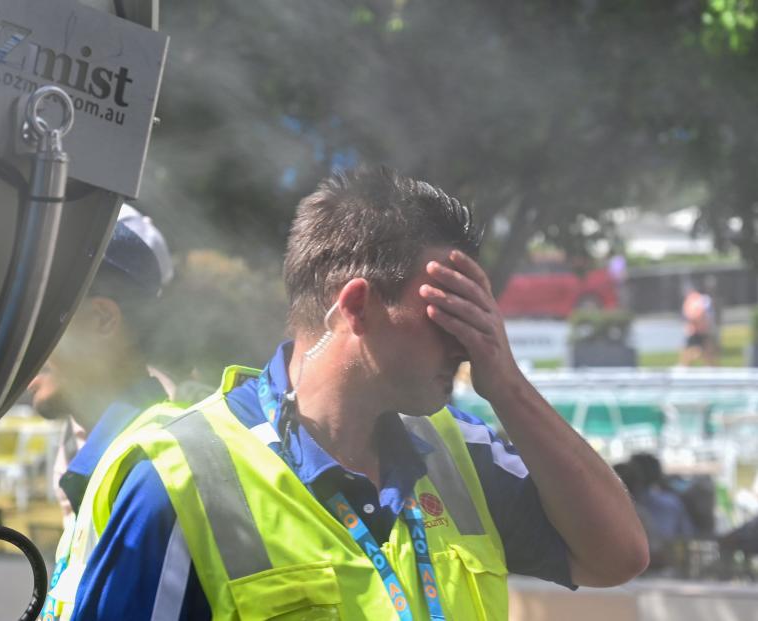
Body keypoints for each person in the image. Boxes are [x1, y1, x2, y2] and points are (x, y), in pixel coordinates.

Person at [51, 167, 648, 620]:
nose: (470, 343)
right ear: (358, 305)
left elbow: (618, 557)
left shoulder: (462, 455)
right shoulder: (181, 478)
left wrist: (509, 387)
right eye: (448, 314)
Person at [29, 204, 179, 617]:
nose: (21, 342)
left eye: (39, 317)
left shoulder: (152, 474)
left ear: (102, 320)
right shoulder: (107, 460)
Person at [680, 279, 718, 366]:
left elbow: (692, 315)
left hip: (696, 330)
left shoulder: (694, 300)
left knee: (702, 352)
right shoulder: (700, 299)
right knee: (703, 352)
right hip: (698, 330)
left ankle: (711, 368)